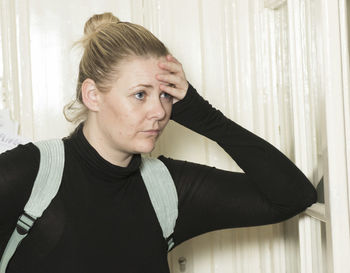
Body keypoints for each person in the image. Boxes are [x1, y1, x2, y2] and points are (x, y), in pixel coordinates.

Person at [0, 12, 317, 273]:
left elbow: (293, 196)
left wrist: (203, 115)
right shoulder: (28, 173)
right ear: (92, 95)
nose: (160, 111)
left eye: (166, 95)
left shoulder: (167, 189)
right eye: (140, 94)